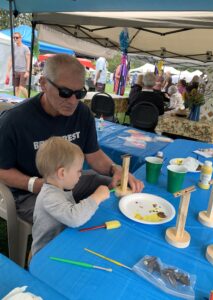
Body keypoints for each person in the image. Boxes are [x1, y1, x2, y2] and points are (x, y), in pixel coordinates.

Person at [0, 54, 143, 224]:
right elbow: (2, 171)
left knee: (117, 189)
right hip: (29, 191)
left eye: (80, 93)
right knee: (64, 222)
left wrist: (115, 170)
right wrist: (36, 184)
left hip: (69, 182)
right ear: (44, 84)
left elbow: (94, 154)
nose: (73, 101)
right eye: (65, 92)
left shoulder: (82, 113)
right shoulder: (15, 120)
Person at [31, 136, 109, 256]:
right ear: (62, 173)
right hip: (47, 253)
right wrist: (97, 197)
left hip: (62, 241)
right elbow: (74, 218)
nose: (80, 174)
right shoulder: (49, 197)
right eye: (78, 170)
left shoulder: (59, 189)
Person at [5, 32, 30, 98]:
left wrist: (27, 71)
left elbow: (28, 60)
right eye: (14, 38)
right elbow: (10, 60)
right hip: (15, 70)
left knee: (21, 87)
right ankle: (16, 102)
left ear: (20, 38)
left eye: (17, 37)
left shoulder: (25, 48)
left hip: (23, 71)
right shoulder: (13, 48)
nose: (15, 39)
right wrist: (7, 72)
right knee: (16, 89)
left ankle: (28, 99)